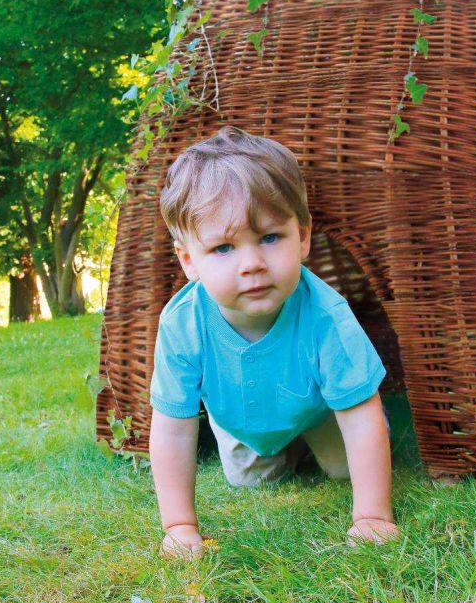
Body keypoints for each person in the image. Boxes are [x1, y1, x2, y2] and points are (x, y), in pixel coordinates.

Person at [149, 127, 399, 559]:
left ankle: (311, 439)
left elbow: (360, 416)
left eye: (269, 238)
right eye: (224, 248)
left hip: (321, 408)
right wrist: (179, 525)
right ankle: (283, 449)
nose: (252, 264)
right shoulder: (182, 325)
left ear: (302, 237)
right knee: (252, 480)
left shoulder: (325, 315)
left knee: (344, 467)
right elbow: (172, 429)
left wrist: (372, 516)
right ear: (189, 260)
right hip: (242, 419)